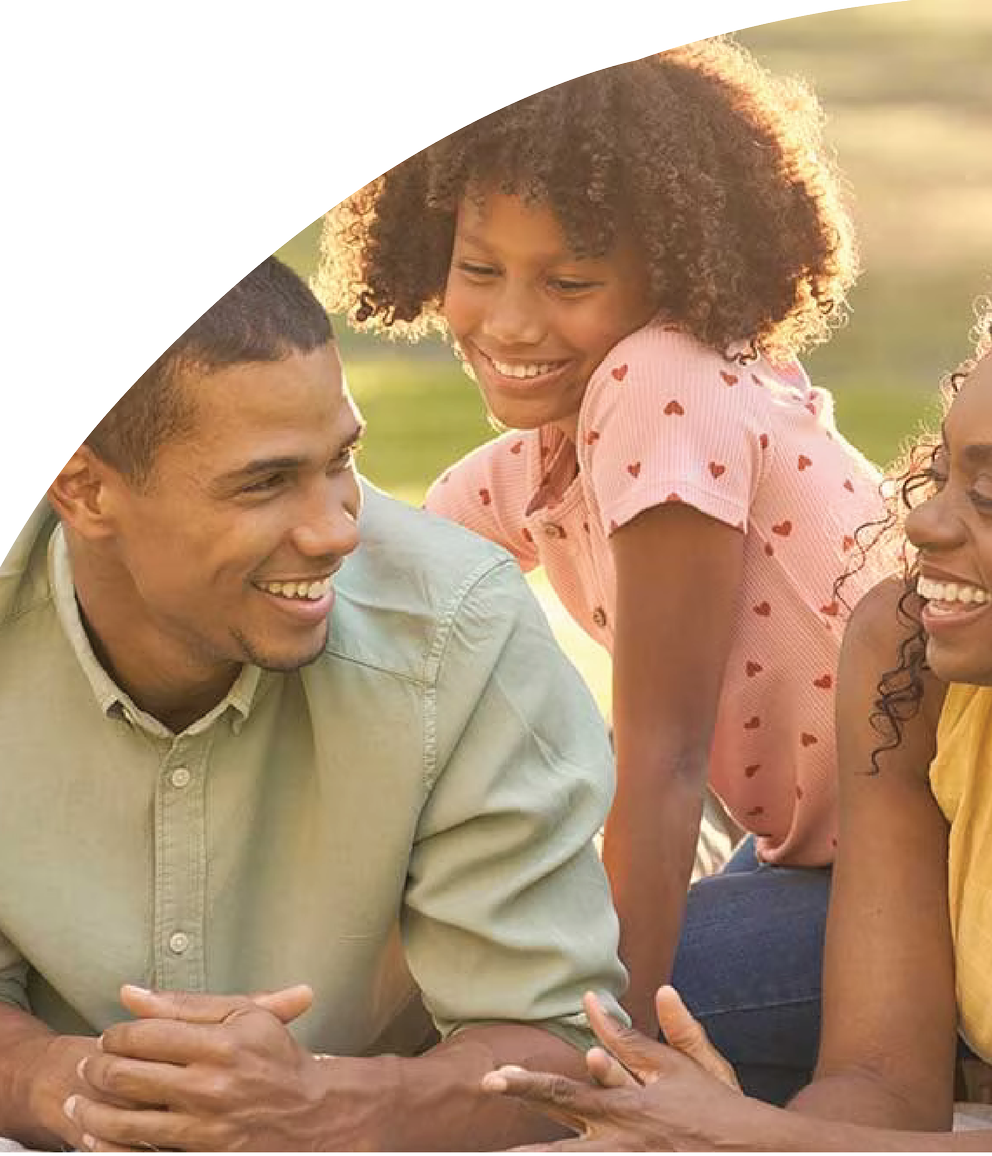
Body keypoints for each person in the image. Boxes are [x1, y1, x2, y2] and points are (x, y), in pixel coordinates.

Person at [0, 255, 628, 1151]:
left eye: (341, 460)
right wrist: (86, 1090)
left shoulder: (461, 628)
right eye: (265, 482)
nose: (335, 529)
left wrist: (320, 1108)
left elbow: (555, 1049)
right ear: (84, 489)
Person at [312, 35, 894, 1094]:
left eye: (570, 280)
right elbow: (376, 589)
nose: (511, 321)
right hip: (816, 861)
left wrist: (608, 1060)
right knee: (483, 964)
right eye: (478, 269)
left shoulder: (665, 386)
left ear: (671, 273)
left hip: (927, 884)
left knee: (525, 1003)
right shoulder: (539, 460)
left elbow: (663, 761)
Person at [478, 231, 992, 1149]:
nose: (924, 519)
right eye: (943, 472)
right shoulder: (908, 663)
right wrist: (735, 1132)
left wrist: (747, 1138)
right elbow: (877, 1082)